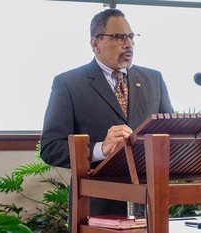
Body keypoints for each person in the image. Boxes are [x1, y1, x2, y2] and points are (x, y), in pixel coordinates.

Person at [40, 7, 173, 228]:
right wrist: (100, 149)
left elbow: (170, 135)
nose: (128, 44)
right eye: (119, 37)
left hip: (149, 205)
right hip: (96, 208)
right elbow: (51, 147)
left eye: (131, 37)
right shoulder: (69, 84)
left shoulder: (153, 79)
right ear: (95, 44)